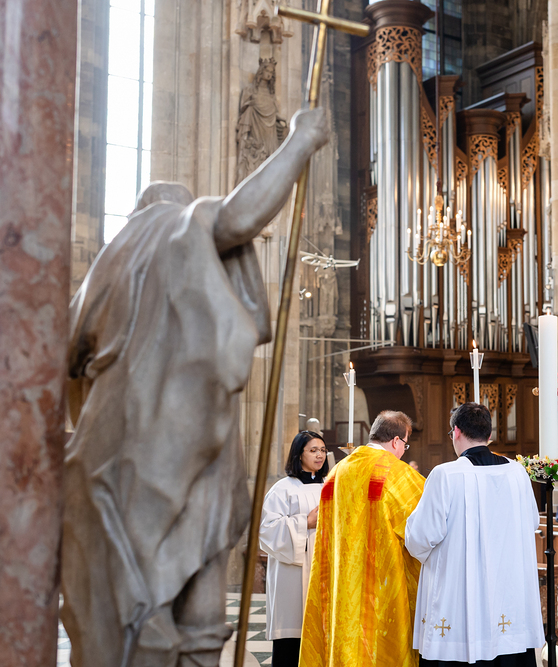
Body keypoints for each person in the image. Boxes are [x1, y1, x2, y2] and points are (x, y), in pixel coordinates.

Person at [61, 108, 331, 667]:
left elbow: (65, 370)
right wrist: (301, 140)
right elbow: (238, 216)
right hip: (177, 439)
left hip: (121, 445)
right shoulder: (170, 228)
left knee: (138, 595)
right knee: (189, 593)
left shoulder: (103, 271)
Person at [405, 403, 543, 667]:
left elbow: (421, 536)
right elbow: (531, 522)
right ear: (489, 435)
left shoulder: (445, 474)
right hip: (507, 589)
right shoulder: (517, 472)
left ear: (456, 431)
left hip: (459, 589)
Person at [300, 410, 425, 667]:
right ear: (396, 441)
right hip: (381, 588)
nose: (404, 452)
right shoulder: (397, 473)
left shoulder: (337, 472)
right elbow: (425, 530)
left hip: (341, 584)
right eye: (405, 445)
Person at [260, 431, 330, 667]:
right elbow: (267, 529)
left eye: (323, 450)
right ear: (299, 454)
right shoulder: (283, 489)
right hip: (292, 575)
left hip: (324, 570)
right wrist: (305, 523)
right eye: (313, 450)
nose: (319, 455)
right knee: (292, 640)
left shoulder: (330, 486)